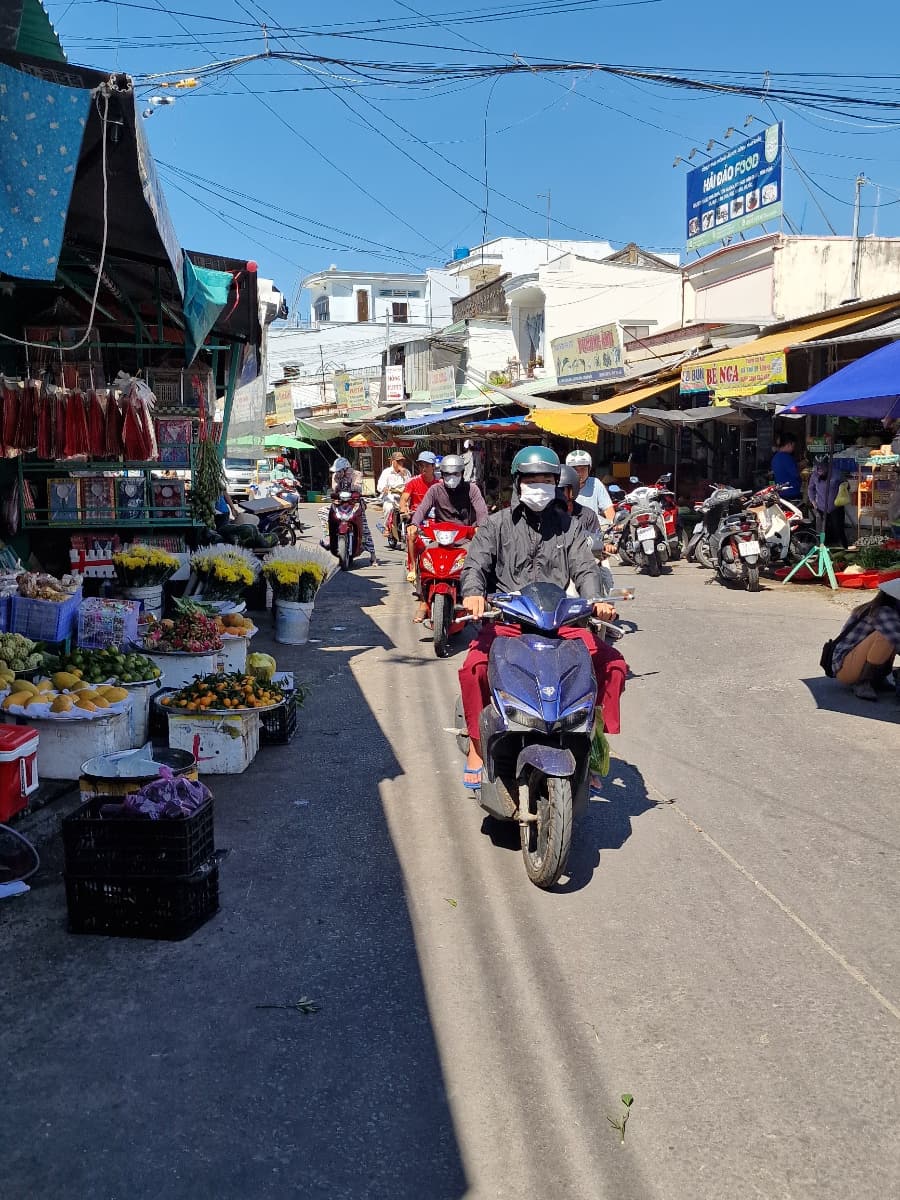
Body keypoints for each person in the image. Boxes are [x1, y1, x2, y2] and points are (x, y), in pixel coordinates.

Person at [457, 445, 627, 790]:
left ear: (557, 484)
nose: (539, 486)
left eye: (546, 479)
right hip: (508, 620)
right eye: (532, 479)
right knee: (474, 669)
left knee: (612, 665)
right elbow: (475, 566)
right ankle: (477, 746)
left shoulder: (570, 527)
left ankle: (590, 741)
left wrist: (595, 601)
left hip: (559, 621)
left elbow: (585, 568)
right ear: (518, 483)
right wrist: (473, 593)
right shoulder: (496, 524)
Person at [411, 454, 489, 622]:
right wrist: (414, 524)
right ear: (442, 474)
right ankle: (423, 600)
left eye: (455, 474)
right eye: (447, 474)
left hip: (465, 538)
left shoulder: (472, 489)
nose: (451, 478)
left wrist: (481, 528)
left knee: (476, 560)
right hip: (441, 538)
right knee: (425, 556)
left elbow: (482, 511)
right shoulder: (435, 490)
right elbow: (421, 509)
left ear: (462, 473)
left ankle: (478, 596)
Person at [830, 578, 900, 700]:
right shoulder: (883, 611)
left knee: (890, 639)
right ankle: (863, 682)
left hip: (849, 662)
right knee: (885, 638)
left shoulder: (875, 607)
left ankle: (877, 678)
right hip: (845, 668)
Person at [557, 464, 615, 594]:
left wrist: (604, 547)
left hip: (584, 565)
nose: (557, 494)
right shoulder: (546, 515)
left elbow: (597, 540)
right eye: (554, 489)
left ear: (573, 490)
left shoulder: (588, 515)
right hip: (555, 570)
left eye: (561, 490)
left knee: (606, 578)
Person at [320, 456, 376, 565]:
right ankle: (328, 536)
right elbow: (334, 488)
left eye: (339, 471)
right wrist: (335, 493)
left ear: (345, 469)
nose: (337, 473)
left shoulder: (356, 474)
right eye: (336, 471)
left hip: (354, 503)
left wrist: (353, 486)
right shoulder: (335, 476)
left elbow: (358, 488)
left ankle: (373, 555)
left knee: (364, 527)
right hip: (339, 503)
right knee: (322, 512)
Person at [400, 451, 437, 582]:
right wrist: (404, 508)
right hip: (417, 519)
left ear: (434, 467)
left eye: (427, 465)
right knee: (411, 535)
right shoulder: (413, 482)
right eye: (421, 465)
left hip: (436, 521)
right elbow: (404, 499)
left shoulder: (440, 484)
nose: (424, 468)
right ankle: (412, 568)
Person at [808, 456, 848, 548]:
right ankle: (825, 551)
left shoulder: (836, 474)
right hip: (821, 508)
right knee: (823, 532)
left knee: (838, 529)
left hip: (836, 507)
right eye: (817, 467)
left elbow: (846, 484)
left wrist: (843, 491)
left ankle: (844, 548)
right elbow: (811, 488)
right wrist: (813, 500)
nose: (819, 469)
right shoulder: (814, 475)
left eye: (821, 467)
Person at [565, 449, 614, 522]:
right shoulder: (563, 486)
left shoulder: (595, 483)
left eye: (583, 469)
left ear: (589, 469)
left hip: (593, 529)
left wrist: (612, 524)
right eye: (575, 469)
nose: (579, 473)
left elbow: (608, 508)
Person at [376, 450, 411, 544]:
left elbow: (411, 485)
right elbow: (379, 486)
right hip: (391, 496)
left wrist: (405, 476)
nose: (401, 463)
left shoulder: (406, 472)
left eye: (402, 461)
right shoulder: (386, 472)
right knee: (389, 507)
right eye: (398, 461)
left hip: (403, 497)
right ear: (393, 461)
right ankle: (387, 527)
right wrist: (385, 489)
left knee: (412, 509)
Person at [771, 436, 802, 500]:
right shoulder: (787, 457)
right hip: (792, 492)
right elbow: (796, 473)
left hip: (781, 492)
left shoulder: (775, 457)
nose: (793, 449)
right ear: (788, 444)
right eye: (793, 446)